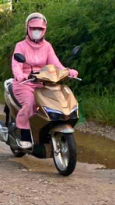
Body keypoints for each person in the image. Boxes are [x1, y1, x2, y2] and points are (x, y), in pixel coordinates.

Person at [10, 13, 78, 149]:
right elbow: (16, 64)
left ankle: (45, 130)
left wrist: (67, 71)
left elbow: (55, 63)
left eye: (40, 29)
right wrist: (20, 75)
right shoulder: (21, 46)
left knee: (58, 101)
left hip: (45, 84)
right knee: (30, 104)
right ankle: (24, 133)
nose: (37, 31)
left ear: (44, 30)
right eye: (34, 28)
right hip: (25, 83)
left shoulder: (47, 46)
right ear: (28, 29)